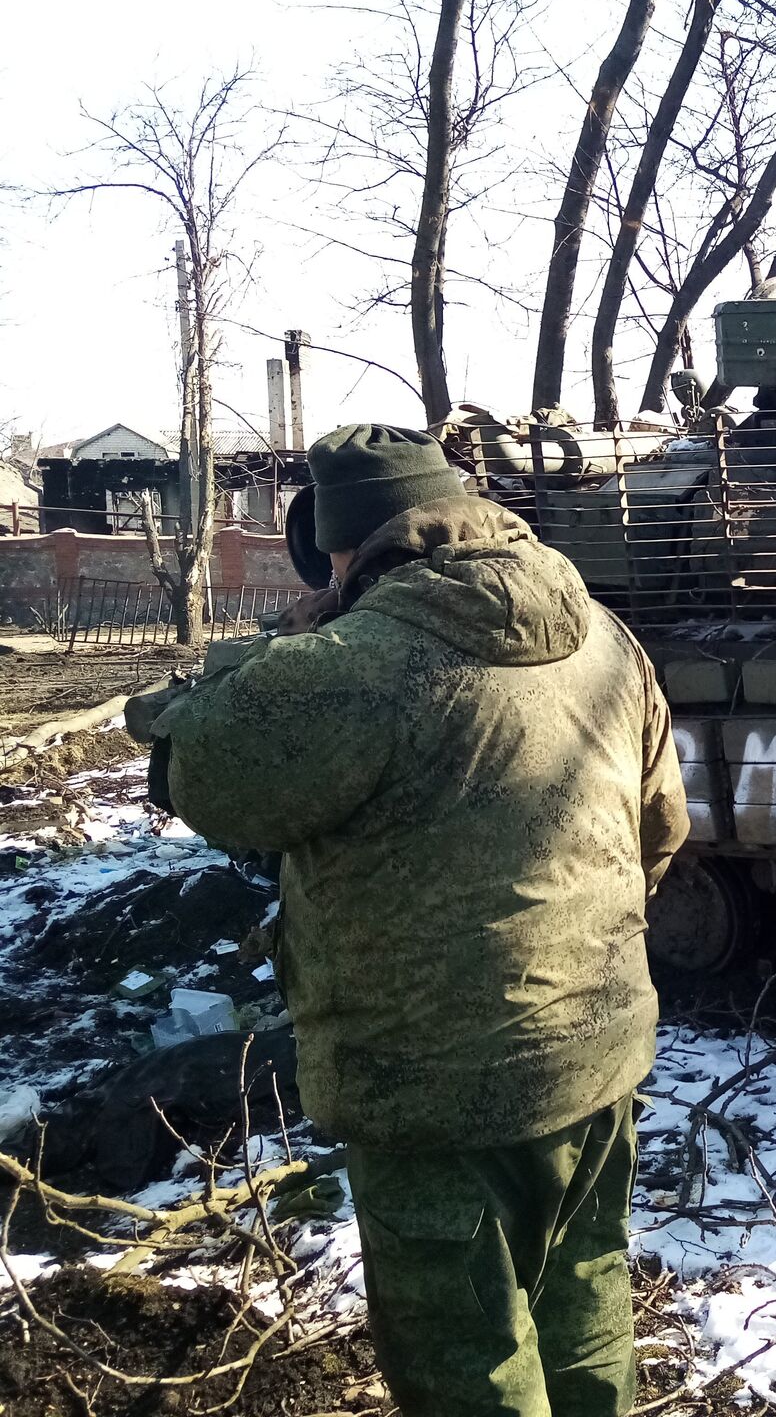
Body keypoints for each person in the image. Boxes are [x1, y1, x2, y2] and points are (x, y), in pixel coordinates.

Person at [154, 423, 688, 1417]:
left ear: (343, 546)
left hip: (436, 1085)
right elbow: (662, 829)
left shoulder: (351, 665)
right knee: (585, 1310)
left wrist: (277, 646)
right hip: (597, 1053)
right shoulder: (604, 633)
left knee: (466, 1363)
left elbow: (201, 774)